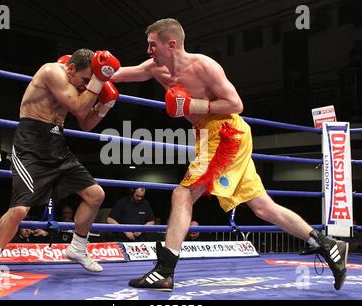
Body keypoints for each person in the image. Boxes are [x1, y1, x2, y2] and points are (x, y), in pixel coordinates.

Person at [111, 18, 348, 291]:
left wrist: (191, 104)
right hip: (205, 135)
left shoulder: (203, 66)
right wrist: (90, 72)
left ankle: (165, 270)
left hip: (224, 133)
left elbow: (236, 103)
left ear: (171, 44)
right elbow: (123, 73)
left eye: (153, 45)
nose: (149, 50)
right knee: (262, 207)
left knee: (183, 194)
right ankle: (327, 244)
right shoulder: (156, 68)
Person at [0, 48, 121, 280]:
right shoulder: (52, 71)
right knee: (20, 209)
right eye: (86, 79)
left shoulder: (77, 85)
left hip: (57, 145)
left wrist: (104, 107)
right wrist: (98, 81)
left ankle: (77, 248)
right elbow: (78, 107)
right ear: (72, 68)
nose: (87, 85)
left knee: (96, 195)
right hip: (31, 146)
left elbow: (86, 123)